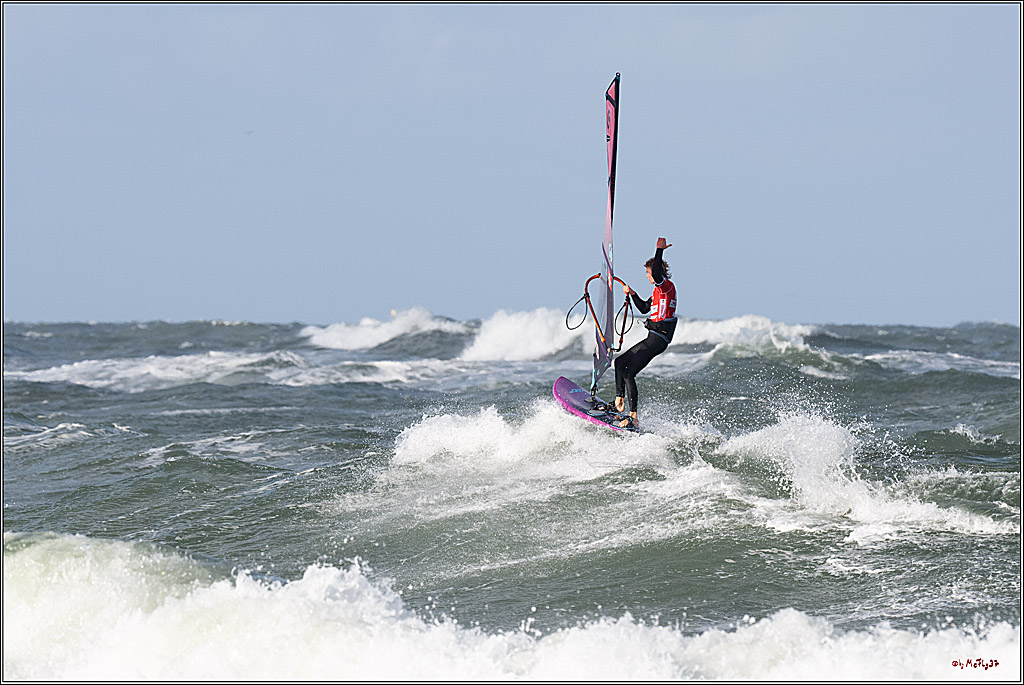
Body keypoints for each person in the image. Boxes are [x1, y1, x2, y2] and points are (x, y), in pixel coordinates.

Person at [613, 237, 677, 429]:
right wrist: (632, 294)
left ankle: (633, 416)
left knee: (629, 373)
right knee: (620, 363)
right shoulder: (657, 293)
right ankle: (618, 404)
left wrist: (659, 250)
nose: (647, 277)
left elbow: (657, 272)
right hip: (653, 337)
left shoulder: (666, 287)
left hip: (659, 339)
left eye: (648, 274)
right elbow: (643, 308)